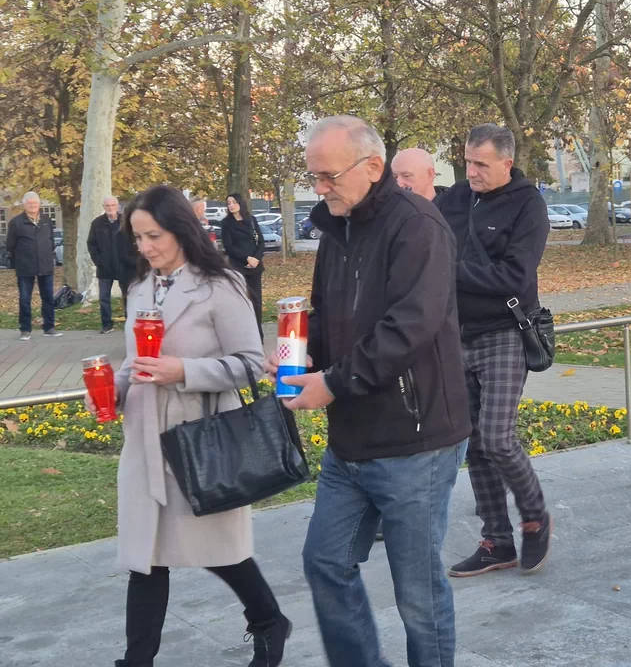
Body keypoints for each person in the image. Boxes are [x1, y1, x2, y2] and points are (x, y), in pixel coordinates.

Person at [265, 115, 470, 667]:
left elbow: (410, 326)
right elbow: (331, 316)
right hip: (352, 438)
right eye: (313, 176)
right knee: (326, 562)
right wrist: (302, 352)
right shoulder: (338, 226)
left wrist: (333, 383)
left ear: (373, 167)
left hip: (416, 439)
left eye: (327, 176)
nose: (319, 188)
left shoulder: (418, 226)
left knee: (417, 592)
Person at [82, 184, 291, 667]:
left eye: (153, 236)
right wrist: (113, 389)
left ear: (180, 229)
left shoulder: (220, 285)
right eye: (138, 238)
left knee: (221, 550)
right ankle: (137, 660)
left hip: (200, 438)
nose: (145, 247)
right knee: (146, 557)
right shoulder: (140, 288)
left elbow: (250, 363)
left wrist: (184, 371)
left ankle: (268, 619)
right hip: (145, 437)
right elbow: (136, 361)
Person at [436, 123, 553, 577]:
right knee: (475, 444)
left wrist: (449, 269)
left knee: (498, 438)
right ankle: (496, 541)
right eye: (467, 162)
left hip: (504, 333)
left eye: (481, 164)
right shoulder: (454, 199)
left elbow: (514, 277)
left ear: (507, 162)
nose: (471, 172)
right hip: (455, 335)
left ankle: (535, 516)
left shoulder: (528, 204)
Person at [6, 191, 61, 340]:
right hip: (25, 267)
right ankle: (25, 330)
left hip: (45, 265)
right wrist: (22, 258)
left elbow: (51, 241)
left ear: (39, 204)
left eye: (35, 203)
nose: (33, 205)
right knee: (25, 299)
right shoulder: (16, 222)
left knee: (48, 298)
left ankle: (49, 328)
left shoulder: (46, 220)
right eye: (30, 203)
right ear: (24, 205)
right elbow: (10, 245)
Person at [221, 193, 266, 340]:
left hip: (255, 267)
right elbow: (229, 247)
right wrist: (247, 258)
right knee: (241, 301)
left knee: (256, 301)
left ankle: (258, 335)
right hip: (238, 266)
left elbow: (261, 242)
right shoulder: (226, 223)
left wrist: (256, 259)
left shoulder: (251, 220)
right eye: (229, 203)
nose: (231, 205)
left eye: (234, 202)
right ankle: (243, 335)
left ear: (240, 203)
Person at [87, 196, 133, 333]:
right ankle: (106, 324)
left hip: (123, 266)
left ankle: (129, 322)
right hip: (104, 267)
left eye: (113, 205)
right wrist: (99, 261)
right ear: (103, 207)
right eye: (107, 205)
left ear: (117, 206)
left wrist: (130, 260)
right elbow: (91, 244)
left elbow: (132, 241)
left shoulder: (126, 221)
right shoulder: (97, 223)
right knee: (104, 298)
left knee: (128, 296)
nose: (110, 208)